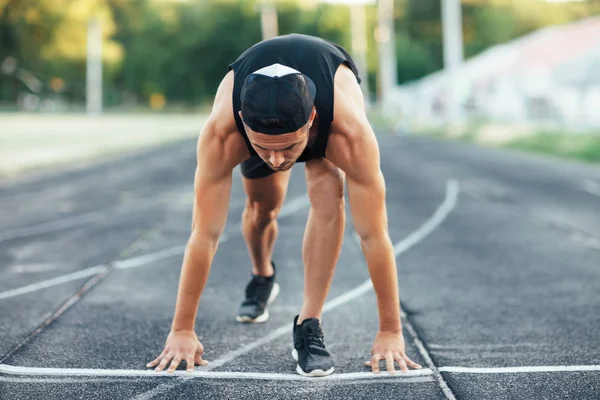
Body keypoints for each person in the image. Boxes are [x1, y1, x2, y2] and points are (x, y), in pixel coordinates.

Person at [146, 33, 422, 377]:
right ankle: (262, 274)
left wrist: (390, 331)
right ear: (243, 121)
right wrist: (182, 329)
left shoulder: (347, 133)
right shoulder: (223, 132)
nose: (276, 160)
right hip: (269, 121)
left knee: (328, 191)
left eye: (287, 148)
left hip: (327, 107)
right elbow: (205, 234)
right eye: (264, 148)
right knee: (263, 210)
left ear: (311, 121)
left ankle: (309, 323)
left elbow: (373, 235)